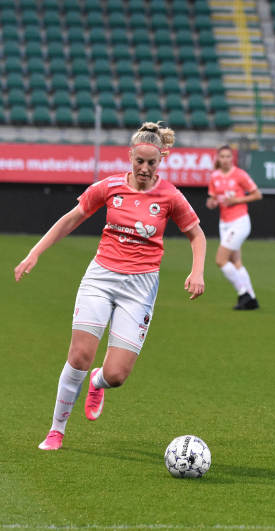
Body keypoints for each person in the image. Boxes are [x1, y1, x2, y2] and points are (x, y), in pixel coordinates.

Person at [14, 122, 206, 451]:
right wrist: (35, 252)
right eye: (139, 161)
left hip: (141, 286)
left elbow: (196, 235)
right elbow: (71, 218)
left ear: (161, 160)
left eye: (152, 163)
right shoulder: (110, 186)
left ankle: (98, 382)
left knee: (116, 375)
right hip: (101, 277)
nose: (145, 169)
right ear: (130, 156)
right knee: (79, 355)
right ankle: (56, 430)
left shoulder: (171, 196)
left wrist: (197, 271)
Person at [206, 145, 262, 310]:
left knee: (220, 260)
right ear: (218, 158)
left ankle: (243, 293)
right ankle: (252, 299)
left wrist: (236, 200)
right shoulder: (215, 176)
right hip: (224, 222)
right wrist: (211, 203)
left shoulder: (240, 175)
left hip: (240, 221)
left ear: (233, 158)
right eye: (222, 156)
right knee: (236, 261)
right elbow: (213, 198)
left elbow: (257, 194)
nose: (225, 160)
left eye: (228, 156)